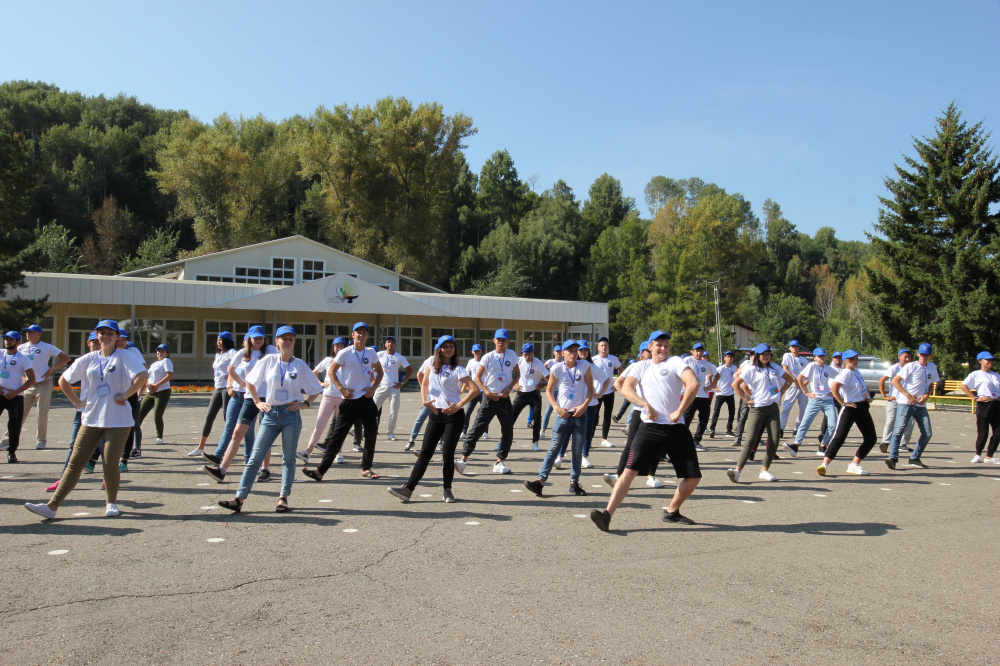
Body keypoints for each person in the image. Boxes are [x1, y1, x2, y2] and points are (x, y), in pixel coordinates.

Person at [24, 320, 146, 519]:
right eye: (102, 333)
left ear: (116, 337)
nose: (105, 337)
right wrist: (77, 402)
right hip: (90, 419)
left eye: (109, 333)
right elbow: (64, 380)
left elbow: (142, 375)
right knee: (75, 463)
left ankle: (111, 503)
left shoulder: (124, 356)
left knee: (109, 462)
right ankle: (52, 507)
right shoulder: (89, 358)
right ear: (96, 336)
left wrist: (124, 395)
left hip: (118, 420)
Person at [590, 330, 702, 531]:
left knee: (693, 477)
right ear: (649, 347)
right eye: (658, 345)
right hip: (649, 428)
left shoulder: (675, 362)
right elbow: (625, 388)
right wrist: (645, 405)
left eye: (666, 345)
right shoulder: (640, 366)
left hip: (676, 428)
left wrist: (680, 410)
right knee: (628, 472)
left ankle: (672, 512)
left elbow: (693, 383)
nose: (663, 349)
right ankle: (606, 515)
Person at [217, 326, 323, 513]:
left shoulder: (299, 364)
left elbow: (315, 389)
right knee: (255, 458)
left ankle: (283, 497)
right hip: (271, 414)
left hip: (291, 415)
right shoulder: (268, 360)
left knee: (288, 459)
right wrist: (257, 402)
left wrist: (305, 404)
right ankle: (239, 499)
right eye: (283, 338)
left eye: (291, 338)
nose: (287, 341)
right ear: (276, 341)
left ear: (294, 342)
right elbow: (250, 381)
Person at [389, 335, 480, 503]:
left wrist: (458, 405)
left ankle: (447, 489)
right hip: (435, 414)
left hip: (453, 416)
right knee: (425, 453)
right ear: (439, 349)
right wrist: (425, 400)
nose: (449, 348)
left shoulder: (458, 369)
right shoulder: (431, 362)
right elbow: (424, 383)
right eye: (445, 346)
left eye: (452, 345)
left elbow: (475, 390)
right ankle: (408, 489)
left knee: (448, 454)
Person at [303, 322, 385, 481]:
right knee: (336, 437)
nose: (361, 335)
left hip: (366, 399)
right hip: (349, 401)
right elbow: (331, 371)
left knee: (371, 435)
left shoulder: (371, 353)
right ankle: (320, 471)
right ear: (352, 335)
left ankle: (366, 468)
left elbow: (380, 372)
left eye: (364, 332)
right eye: (358, 332)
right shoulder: (345, 353)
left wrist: (373, 388)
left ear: (367, 335)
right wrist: (341, 389)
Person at [201, 327, 275, 482]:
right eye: (255, 338)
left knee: (264, 433)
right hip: (249, 397)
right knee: (236, 432)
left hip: (267, 398)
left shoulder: (270, 350)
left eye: (261, 337)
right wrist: (242, 384)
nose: (259, 340)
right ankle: (221, 470)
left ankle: (265, 469)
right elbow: (230, 370)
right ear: (249, 339)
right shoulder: (242, 353)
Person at [523, 339, 594, 497]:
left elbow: (591, 390)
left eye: (576, 351)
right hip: (563, 414)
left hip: (579, 414)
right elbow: (548, 391)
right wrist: (557, 408)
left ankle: (574, 483)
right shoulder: (557, 368)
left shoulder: (585, 366)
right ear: (563, 353)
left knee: (576, 451)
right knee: (553, 448)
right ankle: (540, 482)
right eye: (570, 351)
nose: (573, 354)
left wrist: (584, 406)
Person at [726, 343, 795, 483]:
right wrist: (746, 399)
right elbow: (735, 385)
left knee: (775, 439)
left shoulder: (774, 367)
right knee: (750, 440)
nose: (766, 356)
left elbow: (790, 379)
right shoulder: (751, 369)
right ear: (757, 355)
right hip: (757, 409)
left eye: (768, 354)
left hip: (773, 409)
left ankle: (764, 470)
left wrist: (781, 392)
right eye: (763, 354)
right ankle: (737, 471)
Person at [456, 329, 520, 475]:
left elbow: (518, 374)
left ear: (508, 341)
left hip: (504, 398)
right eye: (498, 339)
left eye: (503, 339)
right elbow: (477, 377)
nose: (500, 342)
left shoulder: (512, 355)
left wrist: (509, 388)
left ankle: (499, 462)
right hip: (489, 398)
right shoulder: (488, 357)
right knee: (477, 428)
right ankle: (463, 460)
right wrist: (487, 392)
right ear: (494, 341)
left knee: (508, 431)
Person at [604, 341, 666, 489]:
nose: (650, 353)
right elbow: (618, 383)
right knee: (631, 444)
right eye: (647, 351)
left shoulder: (662, 366)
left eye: (651, 350)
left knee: (656, 446)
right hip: (640, 411)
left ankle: (651, 476)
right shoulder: (636, 366)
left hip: (657, 413)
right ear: (642, 353)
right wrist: (632, 397)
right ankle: (618, 475)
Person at [46, 332, 103, 492]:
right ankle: (64, 479)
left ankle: (108, 478)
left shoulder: (112, 359)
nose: (97, 345)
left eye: (99, 341)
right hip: (85, 411)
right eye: (94, 342)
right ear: (88, 343)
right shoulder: (85, 361)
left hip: (106, 411)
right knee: (74, 445)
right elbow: (63, 380)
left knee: (105, 447)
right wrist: (76, 402)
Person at [8, 324, 70, 451]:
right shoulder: (21, 348)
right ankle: (7, 440)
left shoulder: (46, 347)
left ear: (39, 334)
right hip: (27, 385)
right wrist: (22, 377)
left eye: (31, 332)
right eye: (27, 332)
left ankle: (41, 441)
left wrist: (52, 368)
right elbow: (15, 363)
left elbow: (66, 358)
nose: (28, 334)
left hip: (43, 384)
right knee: (19, 414)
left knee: (42, 414)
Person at [816, 349, 877, 476]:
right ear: (846, 361)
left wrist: (867, 396)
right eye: (852, 359)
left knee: (871, 438)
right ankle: (824, 464)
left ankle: (855, 464)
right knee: (839, 437)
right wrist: (843, 402)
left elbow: (862, 386)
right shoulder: (846, 373)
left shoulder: (856, 371)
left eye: (856, 358)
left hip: (862, 407)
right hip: (850, 408)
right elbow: (834, 387)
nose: (855, 361)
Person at [887, 342, 939, 469]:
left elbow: (932, 384)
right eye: (921, 354)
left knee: (927, 433)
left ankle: (915, 457)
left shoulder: (932, 367)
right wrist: (907, 395)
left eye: (926, 355)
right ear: (918, 354)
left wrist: (927, 395)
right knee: (899, 430)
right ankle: (893, 457)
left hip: (920, 405)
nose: (923, 357)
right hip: (906, 403)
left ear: (930, 355)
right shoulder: (911, 366)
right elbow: (895, 381)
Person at [297, 337, 348, 463]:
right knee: (320, 425)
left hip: (343, 398)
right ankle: (307, 452)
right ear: (333, 347)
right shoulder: (328, 360)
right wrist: (320, 383)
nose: (339, 348)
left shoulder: (348, 361)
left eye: (342, 346)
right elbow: (313, 373)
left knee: (339, 427)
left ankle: (339, 453)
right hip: (328, 396)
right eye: (336, 346)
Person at [189, 331, 238, 457]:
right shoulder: (219, 354)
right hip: (218, 388)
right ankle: (200, 447)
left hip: (227, 389)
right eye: (217, 340)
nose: (219, 343)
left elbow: (240, 367)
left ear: (227, 341)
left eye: (221, 340)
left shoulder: (232, 353)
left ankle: (228, 450)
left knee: (228, 420)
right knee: (209, 417)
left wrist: (231, 376)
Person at [788, 348, 837, 457]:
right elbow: (800, 378)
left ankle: (823, 445)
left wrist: (833, 392)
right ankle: (796, 445)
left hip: (828, 400)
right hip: (815, 399)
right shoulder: (811, 366)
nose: (822, 358)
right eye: (819, 356)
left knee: (833, 424)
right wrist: (806, 392)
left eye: (823, 356)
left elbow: (839, 379)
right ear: (814, 357)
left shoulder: (829, 369)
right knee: (805, 422)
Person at [0, 331, 37, 463]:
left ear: (18, 342)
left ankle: (12, 452)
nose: (7, 342)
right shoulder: (0, 353)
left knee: (14, 426)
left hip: (15, 396)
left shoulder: (23, 359)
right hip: (0, 394)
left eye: (11, 340)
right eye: (6, 339)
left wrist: (15, 392)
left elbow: (31, 379)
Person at [960, 351, 1000, 464]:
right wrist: (975, 398)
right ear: (980, 361)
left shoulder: (996, 375)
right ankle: (978, 454)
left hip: (996, 404)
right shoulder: (976, 374)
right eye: (988, 360)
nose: (991, 362)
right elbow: (963, 385)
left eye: (992, 360)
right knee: (983, 431)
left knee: (998, 431)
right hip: (984, 404)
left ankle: (989, 455)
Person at [576, 340, 610, 469]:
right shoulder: (572, 365)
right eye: (580, 350)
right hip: (575, 403)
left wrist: (601, 393)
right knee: (568, 430)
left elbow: (607, 380)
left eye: (585, 350)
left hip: (591, 403)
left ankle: (584, 455)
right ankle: (561, 456)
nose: (582, 352)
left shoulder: (591, 366)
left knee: (588, 430)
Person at [510, 343, 549, 451]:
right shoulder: (518, 361)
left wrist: (543, 384)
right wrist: (514, 384)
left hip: (534, 394)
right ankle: (503, 441)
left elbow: (549, 377)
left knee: (537, 419)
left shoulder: (537, 363)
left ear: (533, 353)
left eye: (529, 354)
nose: (527, 357)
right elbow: (509, 372)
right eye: (525, 354)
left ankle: (535, 443)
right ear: (522, 353)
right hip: (522, 393)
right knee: (511, 417)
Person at [373, 335, 412, 441]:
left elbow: (410, 370)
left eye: (392, 342)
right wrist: (373, 381)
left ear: (395, 345)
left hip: (394, 388)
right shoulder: (379, 355)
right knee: (372, 410)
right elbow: (369, 368)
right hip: (381, 386)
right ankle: (365, 429)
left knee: (393, 411)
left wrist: (402, 383)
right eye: (388, 342)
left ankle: (390, 433)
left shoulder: (399, 357)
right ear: (385, 344)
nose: (390, 344)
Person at [116, 330, 146, 466]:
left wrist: (139, 390)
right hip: (115, 394)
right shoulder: (111, 352)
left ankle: (128, 455)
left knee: (132, 423)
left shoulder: (132, 351)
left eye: (123, 339)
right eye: (119, 339)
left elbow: (143, 371)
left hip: (130, 392)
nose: (120, 342)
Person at [682, 342, 717, 451]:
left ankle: (696, 441)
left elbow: (717, 374)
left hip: (703, 396)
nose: (699, 353)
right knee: (686, 419)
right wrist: (684, 383)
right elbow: (678, 371)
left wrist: (711, 386)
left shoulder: (706, 364)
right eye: (697, 351)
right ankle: (683, 441)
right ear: (692, 352)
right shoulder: (687, 360)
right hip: (691, 395)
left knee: (704, 419)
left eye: (701, 351)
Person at [879, 349, 914, 454]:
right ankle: (885, 442)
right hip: (894, 399)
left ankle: (902, 444)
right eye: (905, 357)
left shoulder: (912, 368)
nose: (907, 359)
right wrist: (884, 395)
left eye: (909, 357)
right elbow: (882, 380)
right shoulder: (894, 368)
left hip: (907, 400)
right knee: (891, 421)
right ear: (899, 357)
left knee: (910, 422)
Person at [138, 344, 174, 445]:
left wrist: (157, 385)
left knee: (157, 414)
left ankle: (159, 437)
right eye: (158, 351)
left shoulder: (166, 361)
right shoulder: (154, 364)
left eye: (162, 351)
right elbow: (147, 377)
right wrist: (148, 384)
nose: (159, 353)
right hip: (150, 392)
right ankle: (134, 434)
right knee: (140, 413)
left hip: (162, 391)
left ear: (167, 353)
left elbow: (169, 375)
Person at [593, 336, 622, 447]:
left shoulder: (613, 359)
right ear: (598, 347)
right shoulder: (594, 359)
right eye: (602, 345)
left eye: (605, 345)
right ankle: (590, 438)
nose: (604, 347)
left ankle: (604, 439)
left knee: (607, 415)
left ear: (608, 347)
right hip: (597, 392)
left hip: (609, 391)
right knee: (595, 416)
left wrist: (617, 383)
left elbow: (620, 369)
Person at [780, 340, 809, 435]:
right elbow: (785, 368)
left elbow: (809, 374)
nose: (794, 348)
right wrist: (793, 379)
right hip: (792, 386)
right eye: (792, 346)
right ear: (789, 348)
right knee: (787, 408)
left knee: (803, 409)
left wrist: (804, 383)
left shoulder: (804, 360)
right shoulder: (787, 356)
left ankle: (797, 429)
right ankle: (781, 428)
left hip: (801, 387)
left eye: (796, 346)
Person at [817, 351, 844, 448]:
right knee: (828, 417)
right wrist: (831, 392)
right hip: (832, 396)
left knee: (842, 417)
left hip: (842, 397)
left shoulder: (844, 369)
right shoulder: (829, 369)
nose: (838, 359)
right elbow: (826, 382)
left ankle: (837, 435)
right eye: (836, 358)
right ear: (833, 359)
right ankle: (823, 434)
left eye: (839, 358)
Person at [708, 350, 737, 438]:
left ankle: (729, 430)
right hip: (721, 393)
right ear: (724, 358)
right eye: (728, 357)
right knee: (716, 412)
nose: (729, 359)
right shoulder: (721, 368)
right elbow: (710, 376)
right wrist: (713, 387)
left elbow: (736, 377)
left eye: (731, 357)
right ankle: (712, 429)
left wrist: (734, 385)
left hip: (730, 393)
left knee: (732, 412)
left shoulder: (734, 368)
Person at [540, 345, 562, 439]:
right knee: (549, 409)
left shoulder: (564, 362)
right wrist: (548, 380)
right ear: (554, 352)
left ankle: (560, 429)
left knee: (562, 408)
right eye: (557, 351)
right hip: (553, 388)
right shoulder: (550, 362)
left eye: (560, 351)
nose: (558, 353)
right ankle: (543, 429)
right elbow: (542, 371)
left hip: (562, 388)